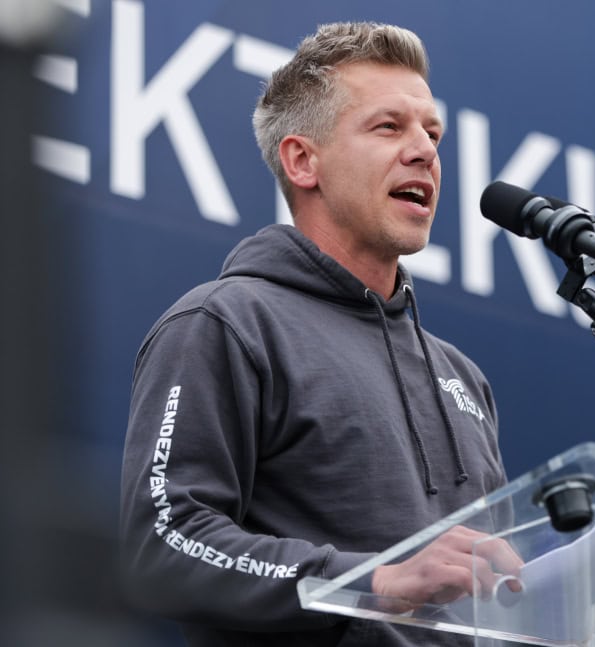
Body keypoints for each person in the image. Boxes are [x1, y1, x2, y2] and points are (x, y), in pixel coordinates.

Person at [119, 21, 520, 646]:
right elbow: (162, 547)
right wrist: (371, 581)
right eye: (389, 127)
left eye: (432, 133)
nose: (425, 151)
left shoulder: (463, 377)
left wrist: (579, 609)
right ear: (303, 161)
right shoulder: (226, 324)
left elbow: (495, 606)